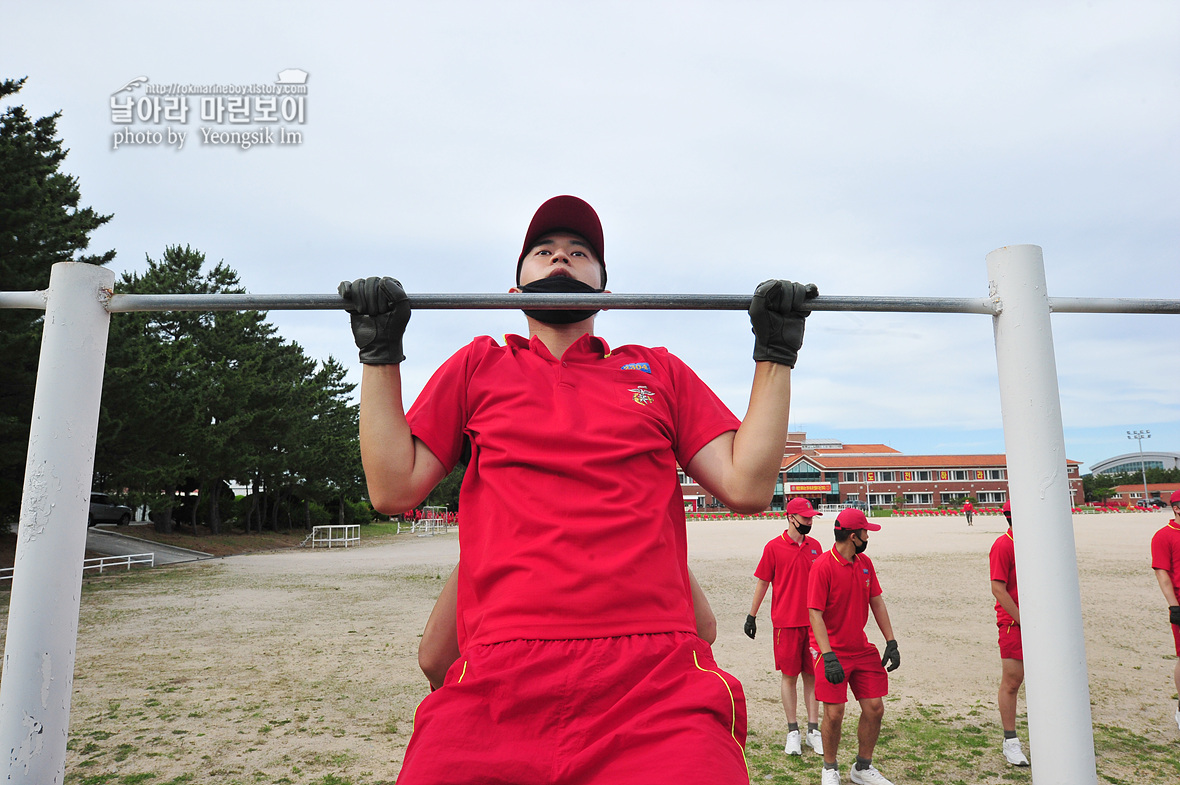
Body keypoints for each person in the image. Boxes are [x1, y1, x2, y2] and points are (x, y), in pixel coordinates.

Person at [340, 194, 818, 783]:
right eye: (543, 252)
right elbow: (392, 488)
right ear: (514, 292)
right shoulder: (479, 366)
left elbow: (746, 484)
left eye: (579, 252)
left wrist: (776, 354)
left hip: (652, 677)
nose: (560, 258)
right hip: (501, 674)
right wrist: (379, 353)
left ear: (604, 292)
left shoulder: (657, 371)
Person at [420, 563, 720, 690]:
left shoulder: (499, 538)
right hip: (631, 721)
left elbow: (434, 659)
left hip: (520, 713)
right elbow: (703, 628)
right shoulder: (638, 529)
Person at [807, 508, 899, 785]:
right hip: (830, 650)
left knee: (874, 707)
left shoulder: (865, 563)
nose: (868, 535)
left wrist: (891, 641)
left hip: (860, 648)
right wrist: (828, 655)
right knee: (834, 714)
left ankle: (862, 767)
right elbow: (814, 613)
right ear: (853, 536)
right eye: (865, 532)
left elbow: (877, 602)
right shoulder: (822, 566)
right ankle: (829, 768)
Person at [745, 496, 825, 756]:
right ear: (791, 518)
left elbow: (824, 584)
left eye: (812, 518)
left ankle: (814, 731)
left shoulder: (816, 547)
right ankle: (793, 731)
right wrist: (751, 616)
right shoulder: (773, 548)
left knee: (812, 677)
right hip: (786, 624)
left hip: (812, 624)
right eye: (805, 518)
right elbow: (763, 583)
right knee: (789, 677)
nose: (809, 522)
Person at [989, 500, 1030, 766]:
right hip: (1014, 624)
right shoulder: (1003, 545)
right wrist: (1023, 621)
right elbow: (998, 588)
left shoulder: (1037, 542)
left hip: (1042, 623)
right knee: (1013, 681)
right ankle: (1010, 741)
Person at [1150, 489, 1180, 733]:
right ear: (1176, 508)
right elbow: (1163, 574)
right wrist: (1174, 606)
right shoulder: (1163, 536)